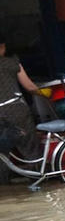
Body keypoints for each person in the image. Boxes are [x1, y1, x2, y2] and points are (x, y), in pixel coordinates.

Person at [0, 33, 43, 161]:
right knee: (29, 145)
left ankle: (5, 179)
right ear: (2, 46)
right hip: (16, 109)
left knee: (3, 152)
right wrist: (47, 95)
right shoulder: (12, 61)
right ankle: (38, 174)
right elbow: (29, 86)